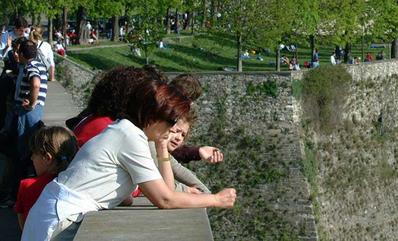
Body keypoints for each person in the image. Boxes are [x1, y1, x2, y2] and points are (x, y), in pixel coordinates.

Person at [23, 71, 236, 241]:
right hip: (61, 219)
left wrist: (162, 148)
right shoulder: (129, 138)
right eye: (171, 123)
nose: (172, 130)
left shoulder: (126, 131)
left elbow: (165, 190)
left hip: (57, 212)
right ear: (152, 116)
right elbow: (165, 199)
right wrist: (217, 199)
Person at [15, 126, 78, 229]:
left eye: (34, 154)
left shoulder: (27, 186)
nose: (31, 158)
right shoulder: (77, 183)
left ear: (47, 158)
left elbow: (24, 228)